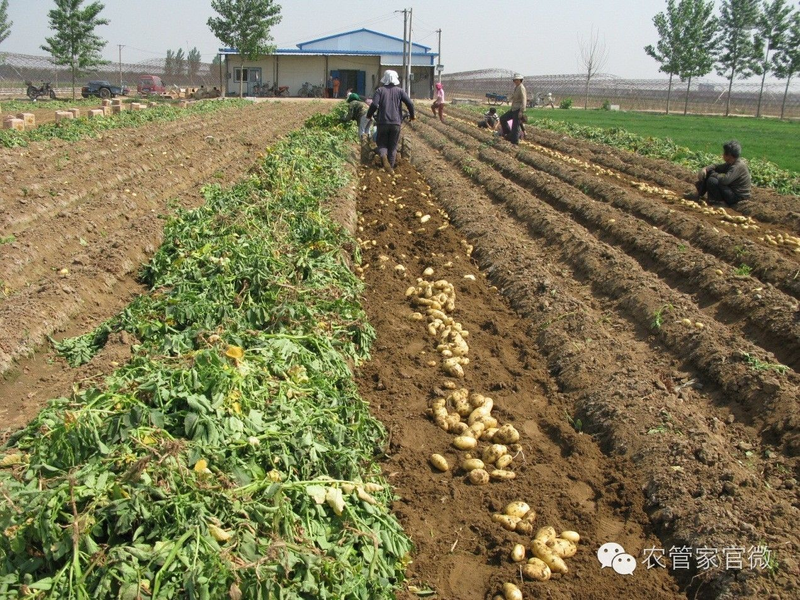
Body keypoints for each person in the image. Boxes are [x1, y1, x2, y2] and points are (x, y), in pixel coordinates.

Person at [366, 70, 415, 175]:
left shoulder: (380, 90)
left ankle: (384, 157)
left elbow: (374, 105)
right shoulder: (400, 91)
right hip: (396, 123)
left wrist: (369, 115)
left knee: (382, 144)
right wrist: (412, 116)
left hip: (382, 122)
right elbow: (410, 103)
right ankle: (390, 169)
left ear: (385, 79)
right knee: (393, 146)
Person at [683, 140, 751, 206]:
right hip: (732, 193)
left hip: (738, 197)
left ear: (729, 155)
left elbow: (725, 180)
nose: (722, 154)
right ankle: (698, 194)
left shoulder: (737, 166)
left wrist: (714, 174)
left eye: (724, 153)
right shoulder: (732, 163)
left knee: (712, 180)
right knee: (710, 172)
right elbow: (717, 167)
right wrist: (706, 169)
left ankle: (719, 202)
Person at [499, 73, 527, 144]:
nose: (515, 81)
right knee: (502, 118)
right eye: (514, 80)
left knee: (515, 127)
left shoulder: (521, 88)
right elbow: (514, 96)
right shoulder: (516, 87)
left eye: (517, 80)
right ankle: (508, 134)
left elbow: (524, 100)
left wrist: (521, 111)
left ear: (520, 80)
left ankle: (514, 142)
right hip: (513, 109)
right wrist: (509, 99)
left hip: (518, 109)